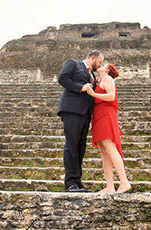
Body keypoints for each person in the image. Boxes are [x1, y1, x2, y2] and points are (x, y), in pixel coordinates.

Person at [57, 50, 104, 192]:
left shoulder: (92, 76)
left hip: (85, 114)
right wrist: (80, 87)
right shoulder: (74, 64)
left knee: (80, 148)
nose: (100, 65)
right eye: (100, 62)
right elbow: (62, 79)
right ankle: (70, 182)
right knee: (71, 145)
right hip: (72, 110)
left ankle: (77, 182)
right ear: (92, 57)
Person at [86, 63, 131, 193]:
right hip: (99, 116)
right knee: (104, 153)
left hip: (106, 115)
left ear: (107, 69)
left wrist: (93, 94)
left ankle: (124, 182)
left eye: (104, 64)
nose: (100, 65)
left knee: (111, 148)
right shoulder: (100, 80)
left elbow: (111, 96)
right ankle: (110, 186)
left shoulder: (108, 79)